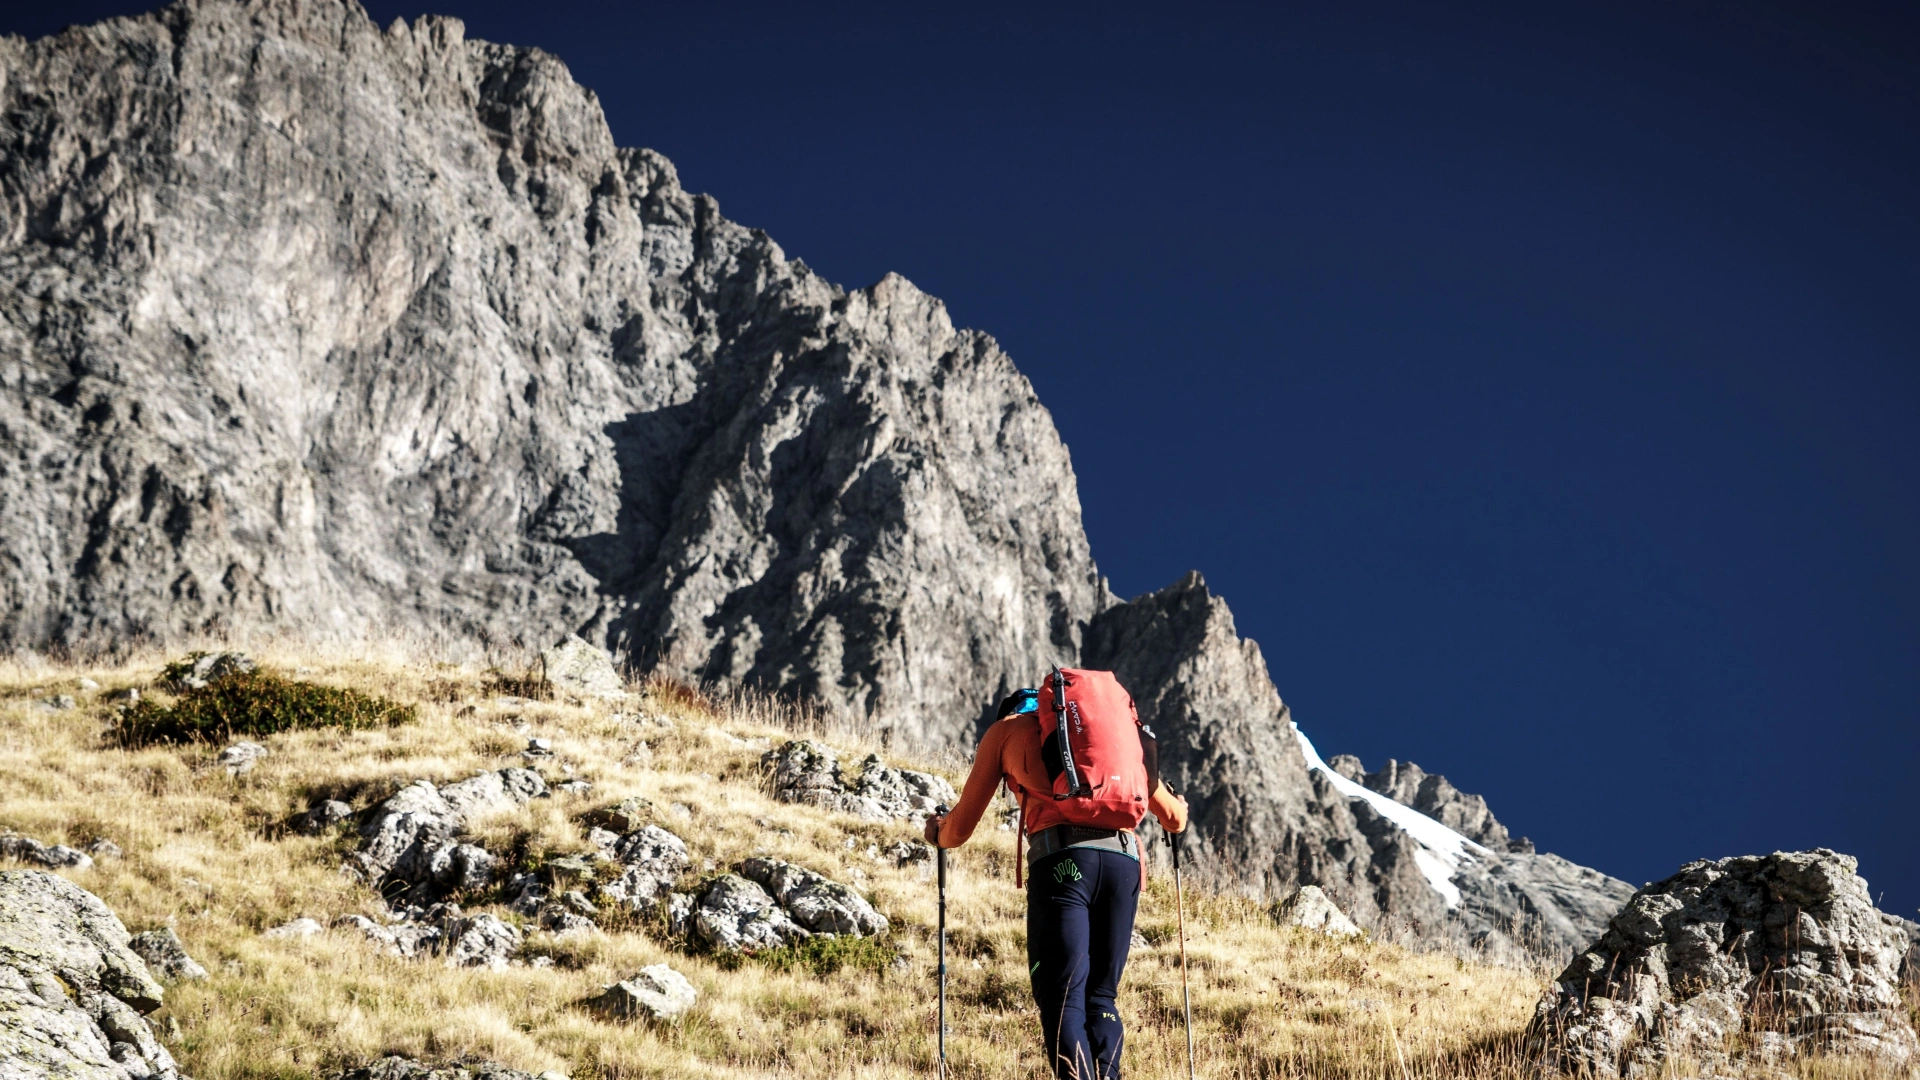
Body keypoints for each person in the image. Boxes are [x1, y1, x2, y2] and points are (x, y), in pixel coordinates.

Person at [924, 684, 1190, 1080]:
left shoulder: (1006, 731)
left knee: (1063, 999)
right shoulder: (1106, 740)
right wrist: (1177, 805)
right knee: (1101, 995)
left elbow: (959, 829)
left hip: (1064, 862)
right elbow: (1175, 819)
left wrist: (936, 833)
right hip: (1124, 864)